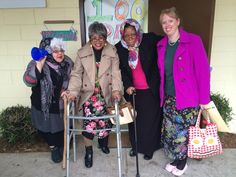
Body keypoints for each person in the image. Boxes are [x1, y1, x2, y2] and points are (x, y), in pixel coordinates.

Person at [157, 7, 211, 176]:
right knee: (172, 132)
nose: (167, 25)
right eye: (164, 22)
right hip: (169, 97)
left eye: (170, 21)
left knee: (184, 132)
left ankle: (182, 163)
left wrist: (204, 99)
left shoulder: (193, 41)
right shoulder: (162, 45)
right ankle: (176, 159)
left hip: (188, 98)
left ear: (178, 21)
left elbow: (203, 71)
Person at [62, 21, 123, 168]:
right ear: (90, 38)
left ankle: (103, 143)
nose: (98, 41)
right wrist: (73, 92)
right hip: (89, 94)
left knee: (106, 121)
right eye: (94, 38)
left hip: (106, 93)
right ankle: (89, 150)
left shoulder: (112, 51)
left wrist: (116, 90)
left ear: (105, 37)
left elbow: (116, 73)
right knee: (89, 124)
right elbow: (76, 75)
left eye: (101, 37)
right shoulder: (82, 53)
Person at [115, 18, 163, 160]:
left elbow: (167, 40)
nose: (130, 38)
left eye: (132, 34)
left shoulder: (149, 40)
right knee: (134, 121)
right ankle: (136, 147)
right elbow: (121, 70)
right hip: (133, 91)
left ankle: (149, 148)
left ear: (138, 32)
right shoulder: (119, 48)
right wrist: (128, 84)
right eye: (126, 35)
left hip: (150, 90)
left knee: (150, 122)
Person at [23, 38, 74, 163]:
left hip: (60, 102)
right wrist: (39, 65)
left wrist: (67, 90)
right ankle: (53, 147)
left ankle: (61, 144)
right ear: (48, 52)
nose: (59, 53)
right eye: (55, 51)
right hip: (42, 103)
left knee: (61, 126)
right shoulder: (36, 62)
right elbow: (29, 81)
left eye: (61, 50)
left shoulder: (68, 62)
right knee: (45, 128)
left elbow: (74, 79)